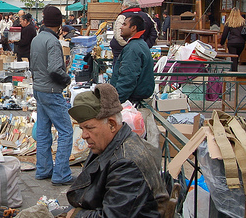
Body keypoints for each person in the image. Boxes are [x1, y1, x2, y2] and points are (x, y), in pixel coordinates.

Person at [62, 83, 169, 217]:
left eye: (89, 128)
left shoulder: (126, 163)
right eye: (82, 128)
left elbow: (112, 216)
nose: (84, 135)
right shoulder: (109, 142)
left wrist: (77, 215)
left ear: (112, 124)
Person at [30, 6, 73, 185]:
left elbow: (33, 66)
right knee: (66, 131)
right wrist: (67, 79)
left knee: (43, 131)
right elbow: (55, 69)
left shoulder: (37, 38)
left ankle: (43, 169)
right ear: (60, 23)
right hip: (51, 91)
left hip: (39, 89)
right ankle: (61, 174)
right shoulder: (53, 42)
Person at [110, 15, 155, 103]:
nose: (121, 27)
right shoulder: (138, 44)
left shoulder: (133, 48)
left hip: (132, 98)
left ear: (133, 28)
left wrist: (116, 101)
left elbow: (128, 77)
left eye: (124, 24)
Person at [110, 0, 157, 65]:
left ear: (125, 6)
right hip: (141, 51)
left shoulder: (122, 16)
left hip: (121, 53)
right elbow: (154, 33)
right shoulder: (146, 16)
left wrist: (128, 47)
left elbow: (118, 35)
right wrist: (145, 45)